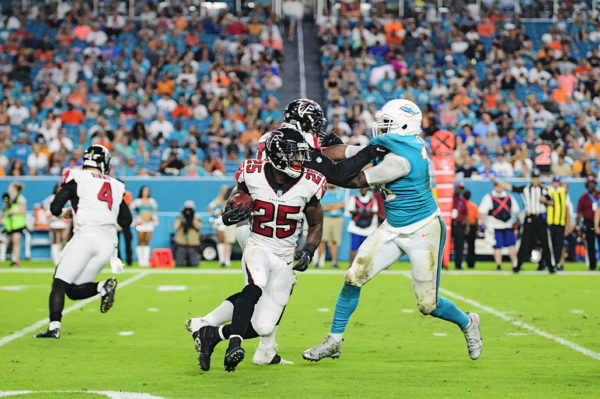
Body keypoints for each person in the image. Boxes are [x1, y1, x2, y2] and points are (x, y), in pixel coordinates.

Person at [302, 99, 482, 363]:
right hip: (393, 226)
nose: (381, 127)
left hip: (422, 230)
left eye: (387, 123)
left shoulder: (400, 160)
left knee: (427, 305)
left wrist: (315, 162)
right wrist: (325, 146)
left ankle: (468, 323)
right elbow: (355, 152)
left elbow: (349, 178)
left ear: (404, 125)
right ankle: (334, 341)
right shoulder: (402, 142)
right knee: (353, 277)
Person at [187, 128, 326, 372]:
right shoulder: (252, 174)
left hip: (285, 256)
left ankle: (211, 334)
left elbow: (316, 223)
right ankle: (234, 344)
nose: (299, 160)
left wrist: (310, 249)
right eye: (294, 155)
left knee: (263, 326)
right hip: (258, 244)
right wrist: (230, 211)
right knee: (254, 284)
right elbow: (236, 200)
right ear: (277, 155)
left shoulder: (309, 183)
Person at [34, 145, 132, 339]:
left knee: (59, 284)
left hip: (86, 236)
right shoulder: (115, 184)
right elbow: (126, 221)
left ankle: (54, 328)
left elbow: (55, 207)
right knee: (72, 290)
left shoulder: (77, 177)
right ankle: (103, 286)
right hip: (107, 243)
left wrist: (64, 213)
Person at [491, 169, 555, 273]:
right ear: (531, 179)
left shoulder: (544, 189)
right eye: (534, 178)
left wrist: (546, 201)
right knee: (525, 242)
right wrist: (496, 180)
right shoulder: (525, 189)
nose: (535, 180)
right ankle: (518, 265)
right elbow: (510, 187)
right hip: (529, 218)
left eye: (537, 178)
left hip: (541, 218)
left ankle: (550, 266)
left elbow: (552, 203)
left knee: (546, 243)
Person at [479, 181, 520, 271]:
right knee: (497, 246)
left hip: (508, 224)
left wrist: (518, 220)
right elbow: (482, 211)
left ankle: (515, 264)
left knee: (511, 245)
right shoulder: (489, 197)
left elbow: (516, 210)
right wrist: (482, 223)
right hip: (494, 225)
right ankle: (499, 265)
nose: (499, 188)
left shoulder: (509, 197)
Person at [346, 187, 378, 264]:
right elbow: (350, 209)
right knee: (353, 248)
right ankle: (351, 265)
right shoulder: (354, 198)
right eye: (362, 188)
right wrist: (359, 211)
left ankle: (364, 265)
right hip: (355, 228)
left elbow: (375, 211)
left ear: (367, 189)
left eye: (365, 188)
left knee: (366, 249)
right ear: (359, 189)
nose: (363, 190)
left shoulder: (372, 199)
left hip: (368, 228)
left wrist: (367, 212)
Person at [316, 184, 345, 268]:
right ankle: (318, 261)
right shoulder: (324, 193)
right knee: (323, 240)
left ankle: (334, 262)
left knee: (335, 241)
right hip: (326, 218)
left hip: (337, 219)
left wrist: (330, 206)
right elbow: (322, 207)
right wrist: (336, 206)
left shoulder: (341, 193)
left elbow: (342, 205)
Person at [42, 184, 72, 265]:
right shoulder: (51, 198)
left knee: (63, 239)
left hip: (64, 221)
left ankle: (61, 256)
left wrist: (67, 217)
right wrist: (51, 216)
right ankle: (55, 258)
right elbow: (46, 208)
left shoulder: (68, 198)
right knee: (55, 240)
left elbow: (70, 208)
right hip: (54, 222)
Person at [547, 175, 571, 271]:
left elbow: (567, 208)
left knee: (559, 244)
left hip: (560, 222)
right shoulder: (548, 190)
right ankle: (547, 262)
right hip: (550, 222)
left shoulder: (563, 192)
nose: (556, 184)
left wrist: (568, 223)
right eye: (554, 182)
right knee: (549, 244)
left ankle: (556, 263)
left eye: (557, 182)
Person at [130, 186, 157, 267]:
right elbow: (130, 209)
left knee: (147, 241)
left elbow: (155, 210)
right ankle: (140, 260)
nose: (145, 192)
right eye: (144, 191)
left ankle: (146, 260)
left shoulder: (152, 201)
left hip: (149, 223)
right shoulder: (137, 201)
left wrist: (152, 216)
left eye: (147, 191)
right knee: (140, 240)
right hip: (140, 223)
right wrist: (135, 218)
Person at [208, 186, 234, 267]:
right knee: (221, 240)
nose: (224, 192)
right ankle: (222, 259)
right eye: (223, 190)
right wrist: (215, 215)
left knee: (228, 240)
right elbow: (209, 207)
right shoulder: (218, 200)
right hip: (221, 222)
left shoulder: (231, 200)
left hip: (229, 221)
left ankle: (226, 260)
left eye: (225, 190)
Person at [1, 182, 27, 267]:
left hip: (17, 224)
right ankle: (13, 259)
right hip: (10, 225)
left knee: (16, 242)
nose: (9, 188)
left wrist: (13, 212)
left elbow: (23, 211)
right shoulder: (9, 199)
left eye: (10, 187)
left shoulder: (21, 199)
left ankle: (16, 261)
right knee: (10, 242)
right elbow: (5, 210)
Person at [577, 176, 600, 270]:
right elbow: (579, 212)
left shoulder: (599, 194)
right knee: (590, 245)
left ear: (595, 184)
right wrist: (578, 225)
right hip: (588, 222)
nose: (591, 185)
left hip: (599, 222)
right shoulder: (583, 197)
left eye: (592, 183)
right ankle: (592, 265)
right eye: (589, 184)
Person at [173, 200, 201, 267]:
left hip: (192, 245)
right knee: (179, 264)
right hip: (181, 245)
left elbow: (198, 227)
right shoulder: (180, 216)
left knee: (194, 264)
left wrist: (192, 217)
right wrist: (182, 216)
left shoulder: (196, 217)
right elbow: (175, 227)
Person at [452, 182, 468, 269]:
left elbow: (466, 214)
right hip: (450, 223)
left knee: (459, 245)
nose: (460, 190)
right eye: (459, 188)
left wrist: (467, 226)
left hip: (459, 224)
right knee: (444, 244)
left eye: (461, 189)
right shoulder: (450, 198)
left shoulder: (463, 201)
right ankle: (443, 263)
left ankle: (458, 264)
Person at [463, 190, 479, 269]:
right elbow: (476, 219)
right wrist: (477, 230)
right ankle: (471, 264)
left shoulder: (462, 205)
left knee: (460, 245)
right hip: (472, 226)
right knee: (471, 246)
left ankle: (459, 262)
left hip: (463, 226)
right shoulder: (473, 206)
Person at [118, 190, 133, 266]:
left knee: (128, 242)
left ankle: (129, 260)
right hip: (117, 224)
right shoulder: (114, 199)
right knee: (116, 244)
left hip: (126, 224)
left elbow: (129, 214)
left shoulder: (126, 197)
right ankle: (118, 261)